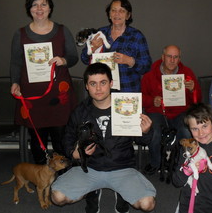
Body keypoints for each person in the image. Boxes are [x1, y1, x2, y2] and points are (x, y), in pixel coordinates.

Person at [51, 63, 156, 213]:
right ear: (87, 86)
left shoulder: (128, 104)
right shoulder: (80, 111)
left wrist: (146, 132)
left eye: (103, 83)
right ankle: (92, 191)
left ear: (111, 83)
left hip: (122, 168)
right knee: (58, 197)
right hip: (89, 168)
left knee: (147, 204)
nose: (98, 89)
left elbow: (143, 141)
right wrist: (73, 153)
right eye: (93, 84)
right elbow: (67, 138)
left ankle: (122, 192)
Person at [10, 0, 78, 164]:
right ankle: (42, 178)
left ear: (50, 8)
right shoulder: (20, 34)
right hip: (33, 96)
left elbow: (73, 57)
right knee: (37, 140)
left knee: (61, 140)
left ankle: (64, 179)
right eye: (34, 5)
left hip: (58, 96)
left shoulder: (62, 31)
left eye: (43, 4)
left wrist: (63, 60)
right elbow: (16, 63)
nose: (39, 8)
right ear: (29, 9)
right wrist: (15, 82)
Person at [141, 45, 202, 175]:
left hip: (180, 112)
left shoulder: (188, 73)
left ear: (179, 58)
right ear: (163, 57)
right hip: (157, 112)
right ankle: (155, 163)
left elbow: (197, 101)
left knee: (185, 131)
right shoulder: (149, 75)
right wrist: (152, 100)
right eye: (169, 56)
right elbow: (141, 97)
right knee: (154, 131)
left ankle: (182, 163)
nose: (172, 60)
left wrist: (193, 90)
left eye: (176, 57)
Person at [81, 0, 152, 92]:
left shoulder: (136, 36)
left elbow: (147, 66)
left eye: (122, 11)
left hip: (127, 92)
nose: (117, 14)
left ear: (128, 15)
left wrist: (130, 61)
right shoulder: (100, 33)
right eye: (113, 10)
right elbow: (84, 59)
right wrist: (92, 48)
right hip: (102, 92)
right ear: (109, 14)